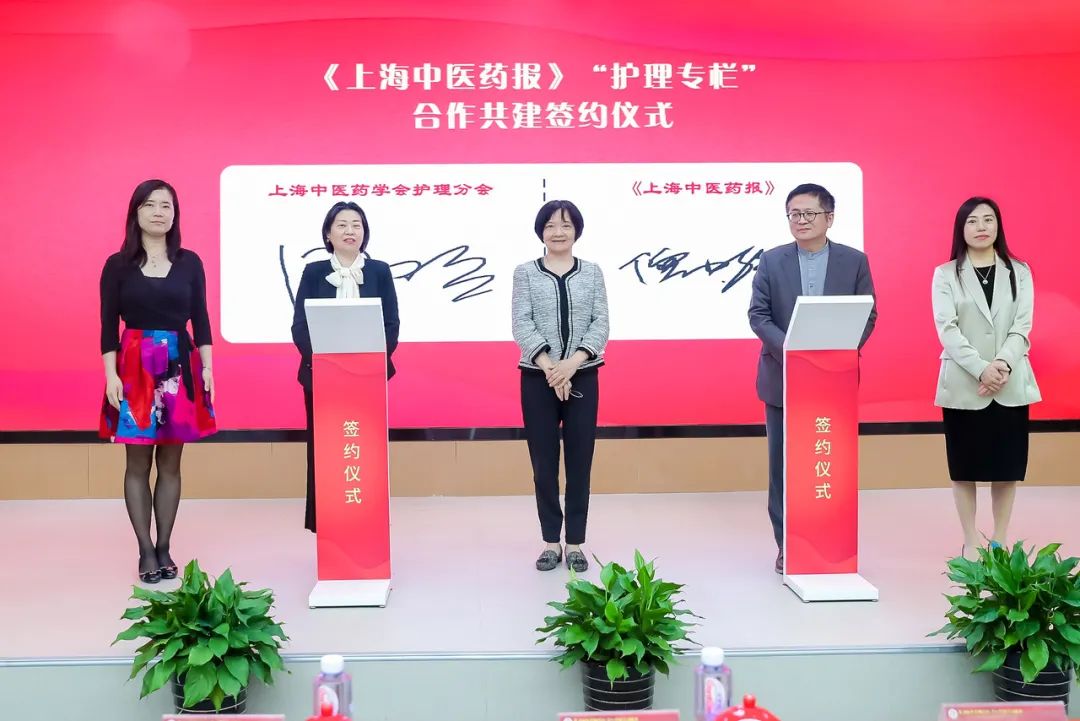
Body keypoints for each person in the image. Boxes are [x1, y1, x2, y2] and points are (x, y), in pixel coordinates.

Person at [748, 183, 877, 574]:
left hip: (834, 384)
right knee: (783, 468)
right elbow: (759, 315)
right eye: (794, 214)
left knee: (829, 465)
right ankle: (787, 545)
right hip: (783, 379)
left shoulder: (854, 261)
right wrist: (792, 352)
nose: (800, 221)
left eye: (808, 213)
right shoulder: (772, 261)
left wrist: (838, 354)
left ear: (829, 218)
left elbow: (867, 314)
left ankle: (830, 541)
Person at [99, 179, 216, 584]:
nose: (158, 212)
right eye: (150, 205)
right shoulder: (117, 265)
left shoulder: (190, 262)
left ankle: (164, 546)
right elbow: (107, 327)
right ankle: (145, 550)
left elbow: (201, 320)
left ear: (175, 214)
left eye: (166, 205)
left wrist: (207, 367)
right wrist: (110, 375)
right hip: (133, 368)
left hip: (178, 367)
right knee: (137, 463)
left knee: (170, 463)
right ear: (136, 213)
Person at [932, 197, 1040, 559]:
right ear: (961, 229)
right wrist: (982, 369)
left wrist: (1002, 365)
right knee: (964, 468)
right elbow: (947, 329)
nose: (981, 227)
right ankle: (970, 541)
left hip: (1009, 382)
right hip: (965, 384)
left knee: (1006, 469)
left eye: (988, 219)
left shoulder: (1019, 271)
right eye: (973, 221)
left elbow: (1022, 325)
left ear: (998, 225)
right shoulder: (946, 274)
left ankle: (1000, 539)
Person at [511, 200, 609, 572]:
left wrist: (572, 364)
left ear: (576, 231)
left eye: (566, 225)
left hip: (582, 374)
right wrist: (551, 369)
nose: (558, 232)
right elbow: (521, 322)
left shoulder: (592, 272)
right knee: (544, 463)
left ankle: (576, 542)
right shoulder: (525, 273)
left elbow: (601, 323)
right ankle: (551, 541)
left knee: (580, 463)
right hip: (538, 377)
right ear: (541, 231)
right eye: (551, 225)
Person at [291, 201, 400, 533]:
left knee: (365, 453)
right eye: (342, 224)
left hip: (368, 379)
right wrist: (325, 365)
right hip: (321, 378)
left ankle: (367, 525)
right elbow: (300, 325)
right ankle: (327, 526)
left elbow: (391, 324)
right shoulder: (313, 272)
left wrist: (369, 364)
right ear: (328, 233)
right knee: (325, 453)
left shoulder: (379, 271)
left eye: (356, 225)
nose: (350, 231)